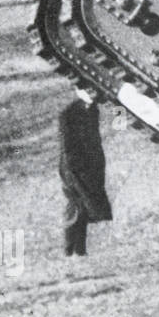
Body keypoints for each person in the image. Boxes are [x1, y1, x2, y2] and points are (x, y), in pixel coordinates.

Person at [58, 88, 113, 256]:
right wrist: (74, 168)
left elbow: (119, 123)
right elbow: (67, 145)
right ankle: (69, 249)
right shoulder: (69, 113)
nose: (92, 94)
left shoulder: (92, 109)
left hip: (90, 166)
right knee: (75, 204)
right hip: (75, 166)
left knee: (83, 206)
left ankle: (79, 249)